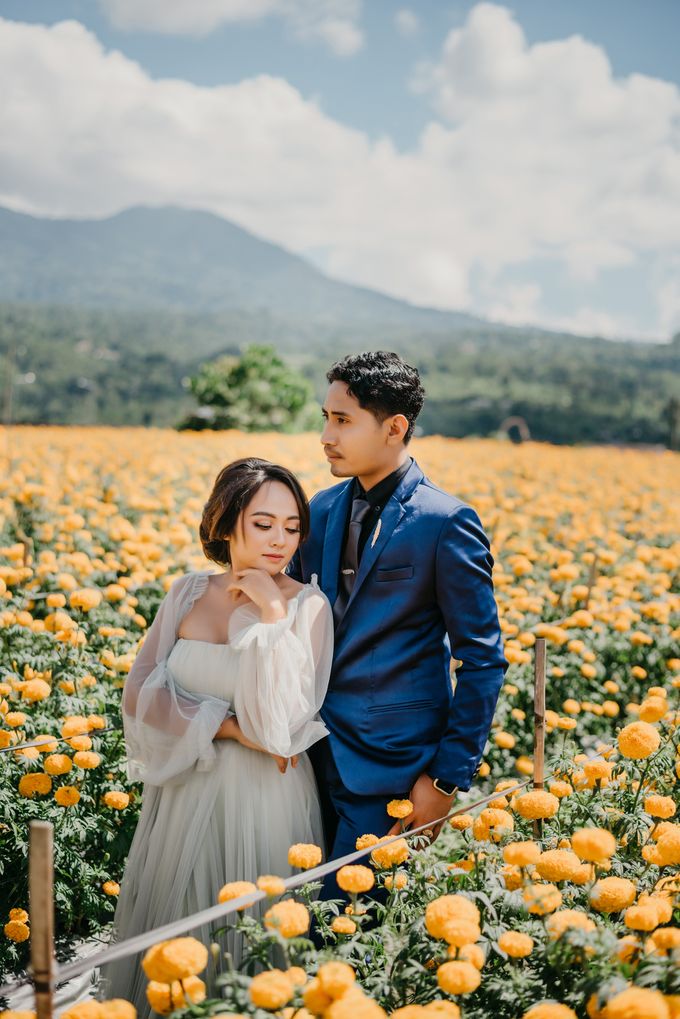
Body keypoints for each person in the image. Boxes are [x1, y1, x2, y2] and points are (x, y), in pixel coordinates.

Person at [100, 459, 333, 1019]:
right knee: (175, 936)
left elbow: (280, 726)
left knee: (252, 939)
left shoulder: (307, 607)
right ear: (226, 523)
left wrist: (272, 614)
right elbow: (139, 693)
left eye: (292, 527)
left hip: (263, 798)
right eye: (263, 524)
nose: (281, 540)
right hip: (184, 791)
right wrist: (226, 726)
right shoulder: (186, 593)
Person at [287, 351, 508, 900]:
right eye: (325, 418)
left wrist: (444, 781)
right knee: (292, 921)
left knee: (345, 933)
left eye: (342, 420)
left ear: (395, 428)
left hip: (393, 769)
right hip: (305, 757)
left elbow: (482, 661)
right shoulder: (322, 508)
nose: (325, 436)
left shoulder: (446, 522)